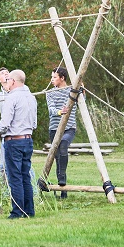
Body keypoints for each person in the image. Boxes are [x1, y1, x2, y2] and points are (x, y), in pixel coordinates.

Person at [0, 70, 37, 219]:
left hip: (14, 141)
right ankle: (29, 211)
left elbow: (5, 123)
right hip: (28, 140)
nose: (7, 82)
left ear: (13, 81)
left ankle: (17, 212)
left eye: (8, 79)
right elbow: (34, 123)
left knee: (15, 177)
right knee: (25, 176)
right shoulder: (31, 98)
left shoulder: (11, 98)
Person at [46, 66, 78, 199]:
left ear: (62, 78)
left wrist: (82, 90)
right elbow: (51, 110)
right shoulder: (50, 93)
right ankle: (63, 190)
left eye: (54, 77)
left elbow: (82, 101)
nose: (52, 80)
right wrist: (60, 112)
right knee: (58, 157)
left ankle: (62, 176)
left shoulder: (72, 90)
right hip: (54, 129)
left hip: (69, 127)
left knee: (63, 146)